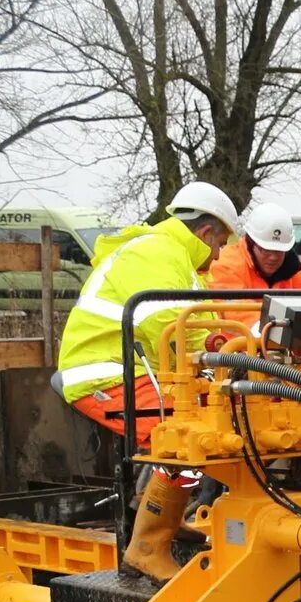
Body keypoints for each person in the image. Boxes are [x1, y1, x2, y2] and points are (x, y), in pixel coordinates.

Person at [52, 181, 238, 581]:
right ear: (206, 233)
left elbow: (201, 327)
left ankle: (164, 514)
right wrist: (219, 358)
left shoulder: (176, 260)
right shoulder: (157, 252)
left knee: (201, 428)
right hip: (101, 373)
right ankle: (146, 547)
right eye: (220, 243)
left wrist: (226, 350)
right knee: (185, 437)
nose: (220, 254)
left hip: (130, 369)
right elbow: (169, 326)